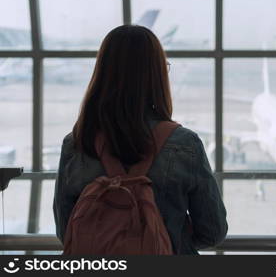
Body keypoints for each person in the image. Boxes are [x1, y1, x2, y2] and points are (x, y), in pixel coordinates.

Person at [53, 25, 228, 255]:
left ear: (102, 73)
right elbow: (212, 231)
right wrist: (167, 236)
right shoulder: (185, 144)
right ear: (157, 75)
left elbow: (65, 230)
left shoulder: (77, 143)